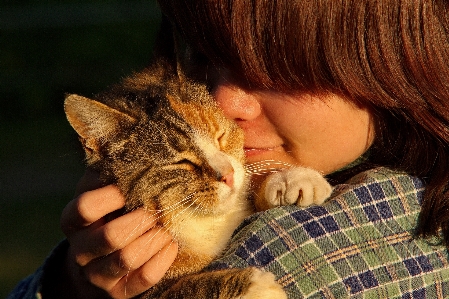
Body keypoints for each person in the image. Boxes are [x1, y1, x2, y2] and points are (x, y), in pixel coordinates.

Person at [8, 0, 449, 298]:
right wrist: (72, 281)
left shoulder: (296, 253)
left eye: (273, 69)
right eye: (201, 55)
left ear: (393, 61)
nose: (221, 104)